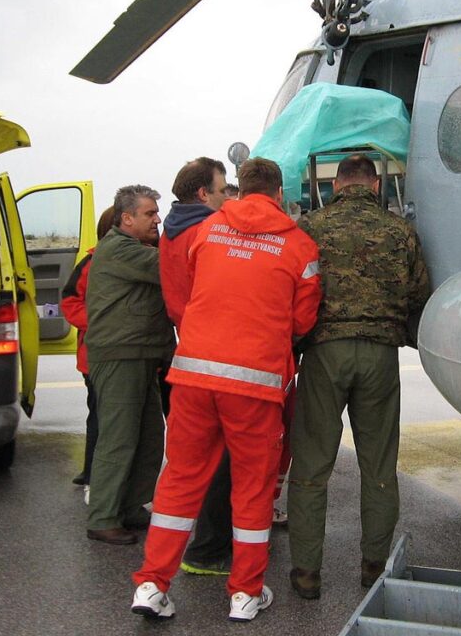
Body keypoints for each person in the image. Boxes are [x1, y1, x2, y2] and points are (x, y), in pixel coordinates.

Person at [131, 158, 321, 623]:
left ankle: (152, 584)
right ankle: (245, 593)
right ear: (279, 193)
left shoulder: (208, 230)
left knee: (180, 480)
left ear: (239, 190)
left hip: (194, 376)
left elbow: (196, 290)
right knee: (253, 487)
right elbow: (303, 320)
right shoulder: (299, 245)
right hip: (254, 383)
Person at [287, 154, 430, 599]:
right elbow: (419, 293)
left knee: (312, 464)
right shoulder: (400, 232)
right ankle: (373, 566)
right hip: (380, 355)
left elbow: (292, 288)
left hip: (324, 353)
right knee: (379, 465)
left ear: (336, 185)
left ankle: (307, 572)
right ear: (374, 185)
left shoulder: (311, 228)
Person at [84, 185, 175, 545]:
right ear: (126, 218)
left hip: (139, 354)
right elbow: (169, 267)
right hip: (120, 355)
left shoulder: (134, 249)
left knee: (149, 437)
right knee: (119, 439)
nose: (157, 219)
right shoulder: (120, 250)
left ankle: (131, 505)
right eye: (149, 213)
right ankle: (103, 516)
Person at [158, 156, 234, 576]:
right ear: (204, 193)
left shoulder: (171, 230)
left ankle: (197, 546)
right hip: (215, 352)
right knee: (222, 457)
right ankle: (209, 548)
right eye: (222, 191)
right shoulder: (206, 231)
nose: (226, 198)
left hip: (188, 347)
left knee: (196, 457)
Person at [60, 206, 118, 492]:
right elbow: (69, 302)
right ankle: (92, 473)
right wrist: (101, 323)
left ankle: (94, 473)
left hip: (108, 354)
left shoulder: (143, 257)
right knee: (99, 415)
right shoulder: (90, 263)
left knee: (106, 416)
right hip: (95, 357)